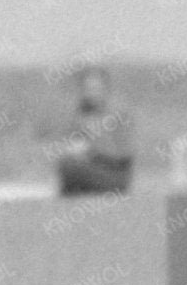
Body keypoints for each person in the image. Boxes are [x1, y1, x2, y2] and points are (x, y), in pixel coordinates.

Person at [55, 67, 134, 196]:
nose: (91, 93)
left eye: (95, 89)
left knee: (72, 168)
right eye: (87, 89)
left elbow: (124, 154)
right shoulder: (79, 115)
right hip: (86, 168)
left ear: (105, 90)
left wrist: (92, 149)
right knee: (67, 165)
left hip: (113, 173)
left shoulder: (118, 116)